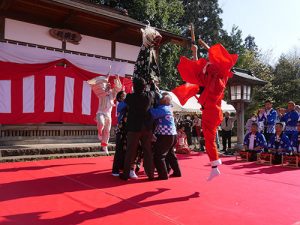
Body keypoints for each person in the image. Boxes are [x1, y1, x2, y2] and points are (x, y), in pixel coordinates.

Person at [172, 42, 238, 180]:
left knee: (209, 139)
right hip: (215, 111)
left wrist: (196, 52)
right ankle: (215, 165)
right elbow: (213, 65)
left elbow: (197, 71)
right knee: (209, 138)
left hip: (210, 111)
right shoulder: (222, 79)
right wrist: (201, 52)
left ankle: (215, 165)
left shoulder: (210, 81)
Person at [119, 77, 155, 181]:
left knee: (130, 151)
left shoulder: (130, 97)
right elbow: (153, 91)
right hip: (146, 127)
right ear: (144, 87)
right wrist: (151, 83)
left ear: (134, 86)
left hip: (134, 127)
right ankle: (150, 174)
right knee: (147, 151)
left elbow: (125, 96)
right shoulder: (148, 96)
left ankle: (126, 174)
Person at [87, 75, 122, 155]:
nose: (108, 86)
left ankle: (104, 145)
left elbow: (118, 89)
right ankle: (99, 132)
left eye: (109, 86)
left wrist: (117, 79)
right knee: (101, 123)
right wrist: (104, 80)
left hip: (108, 115)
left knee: (107, 131)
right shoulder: (100, 93)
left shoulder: (112, 95)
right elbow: (97, 84)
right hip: (100, 112)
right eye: (107, 85)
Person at [150, 93, 181, 180]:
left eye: (162, 98)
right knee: (170, 154)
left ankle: (163, 175)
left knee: (159, 155)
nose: (160, 99)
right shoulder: (168, 108)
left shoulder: (164, 109)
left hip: (166, 135)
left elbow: (152, 113)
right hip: (171, 135)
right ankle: (177, 172)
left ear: (166, 101)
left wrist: (148, 106)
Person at [112, 91, 127, 176]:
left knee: (125, 149)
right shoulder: (120, 104)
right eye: (124, 95)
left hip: (127, 129)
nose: (126, 96)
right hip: (121, 130)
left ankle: (123, 167)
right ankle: (115, 170)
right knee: (119, 150)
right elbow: (122, 107)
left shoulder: (127, 104)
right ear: (120, 98)